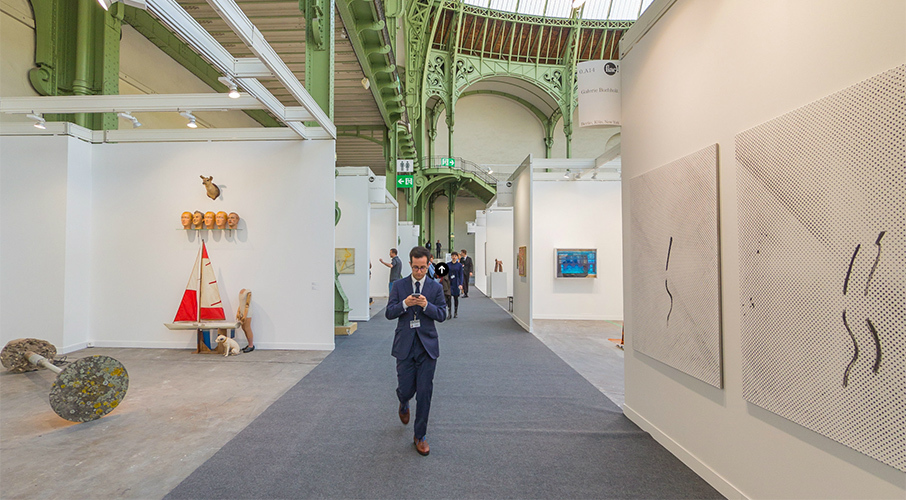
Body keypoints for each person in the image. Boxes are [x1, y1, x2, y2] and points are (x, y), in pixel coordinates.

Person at [385, 246, 446, 456]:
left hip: (427, 347)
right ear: (410, 265)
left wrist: (427, 305)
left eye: (422, 267)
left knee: (425, 393)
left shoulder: (435, 288)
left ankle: (420, 436)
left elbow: (442, 314)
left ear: (428, 265)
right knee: (405, 389)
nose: (419, 272)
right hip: (405, 345)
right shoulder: (399, 285)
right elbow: (389, 313)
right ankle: (403, 402)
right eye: (415, 267)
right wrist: (404, 304)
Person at [447, 251, 464, 318]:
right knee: (448, 297)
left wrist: (461, 284)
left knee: (455, 297)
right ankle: (449, 313)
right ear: (451, 256)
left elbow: (461, 275)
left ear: (457, 257)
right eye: (453, 256)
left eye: (455, 256)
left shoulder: (459, 265)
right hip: (449, 282)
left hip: (456, 282)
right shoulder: (448, 264)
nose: (454, 257)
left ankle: (455, 312)